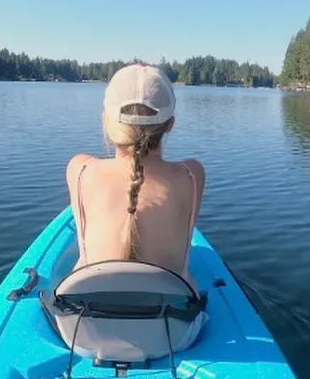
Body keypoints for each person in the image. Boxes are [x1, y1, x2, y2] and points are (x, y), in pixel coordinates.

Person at [65, 63, 208, 349]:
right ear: (171, 124)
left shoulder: (79, 170)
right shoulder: (192, 175)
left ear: (105, 120)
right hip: (173, 338)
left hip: (83, 335)